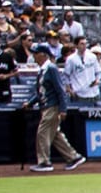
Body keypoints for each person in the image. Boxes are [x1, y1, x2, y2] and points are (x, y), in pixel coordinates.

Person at [27, 43, 84, 172]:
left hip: (52, 106)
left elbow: (60, 90)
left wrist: (63, 109)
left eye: (35, 53)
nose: (34, 56)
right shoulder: (43, 70)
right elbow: (42, 91)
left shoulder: (51, 69)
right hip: (46, 105)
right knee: (55, 135)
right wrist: (30, 103)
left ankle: (44, 162)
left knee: (43, 133)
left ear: (43, 55)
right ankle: (73, 157)